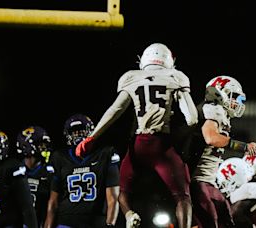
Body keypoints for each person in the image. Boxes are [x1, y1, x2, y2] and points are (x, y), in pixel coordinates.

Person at [75, 43, 199, 228]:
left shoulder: (132, 78)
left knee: (122, 190)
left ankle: (129, 214)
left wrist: (92, 137)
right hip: (162, 146)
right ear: (168, 60)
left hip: (139, 145)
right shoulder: (176, 77)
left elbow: (115, 110)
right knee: (182, 196)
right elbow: (192, 119)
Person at [189, 75, 256, 228]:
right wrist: (244, 147)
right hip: (197, 180)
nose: (237, 102)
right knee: (210, 222)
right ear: (220, 92)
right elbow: (210, 138)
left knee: (226, 219)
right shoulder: (213, 109)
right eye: (234, 97)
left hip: (208, 181)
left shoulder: (221, 113)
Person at [44, 114, 120, 228]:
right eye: (74, 131)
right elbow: (53, 201)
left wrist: (110, 224)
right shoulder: (60, 157)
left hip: (95, 221)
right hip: (66, 221)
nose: (78, 134)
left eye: (82, 130)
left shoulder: (105, 154)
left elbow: (113, 198)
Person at [16, 125, 54, 228]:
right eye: (40, 144)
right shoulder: (14, 171)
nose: (44, 148)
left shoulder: (49, 172)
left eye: (44, 144)